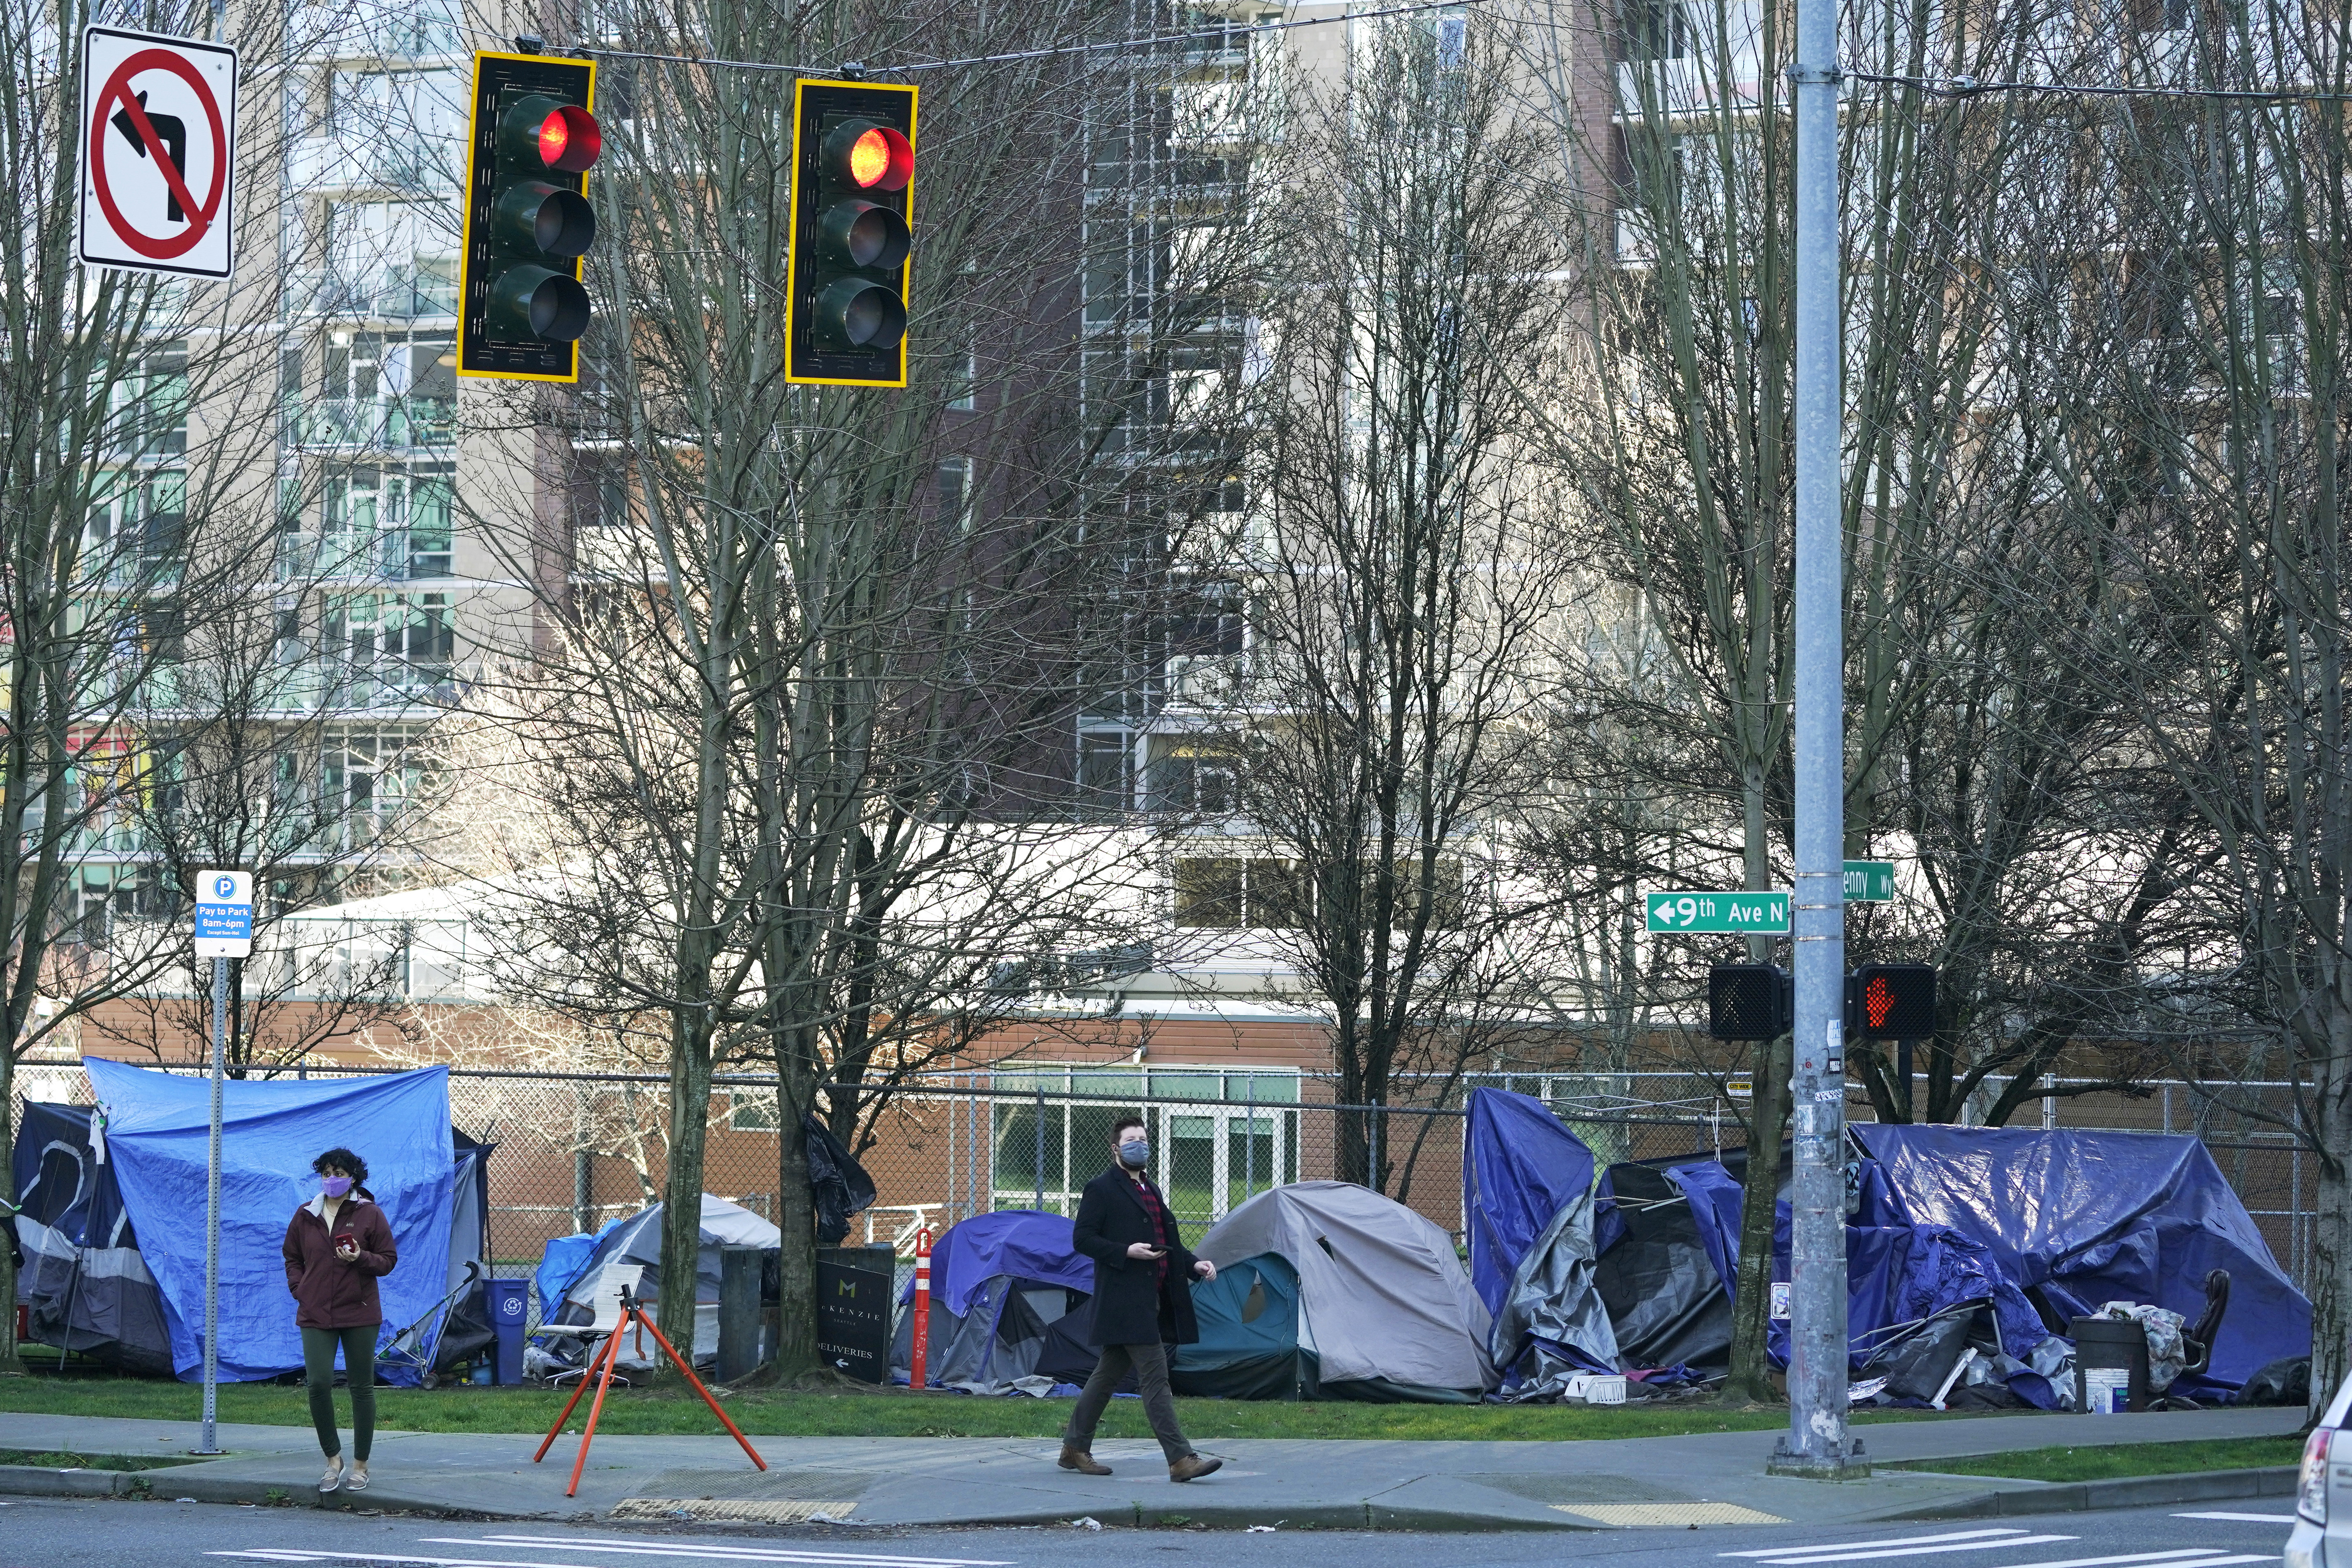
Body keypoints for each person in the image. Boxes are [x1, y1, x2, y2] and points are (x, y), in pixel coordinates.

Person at [1060, 1115, 1222, 1482]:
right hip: (1124, 1301)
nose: (1140, 1145)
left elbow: (1167, 1243)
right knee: (1155, 1378)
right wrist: (1125, 1251)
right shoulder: (1101, 1188)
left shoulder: (1151, 1189)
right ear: (1115, 1148)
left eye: (1144, 1139)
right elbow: (1082, 1239)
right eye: (1132, 1140)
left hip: (1152, 1298)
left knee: (1105, 1377)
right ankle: (1181, 1459)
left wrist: (1196, 1264)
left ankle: (1073, 1447)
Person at [282, 1147, 396, 1494]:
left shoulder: (370, 1213)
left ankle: (361, 1464)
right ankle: (333, 1460)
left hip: (359, 1311)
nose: (332, 1179)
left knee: (361, 1387)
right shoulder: (306, 1214)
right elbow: (292, 1256)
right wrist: (300, 1288)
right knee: (318, 1383)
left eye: (339, 1173)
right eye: (327, 1173)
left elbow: (388, 1260)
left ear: (353, 1178)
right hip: (315, 1310)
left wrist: (361, 1257)